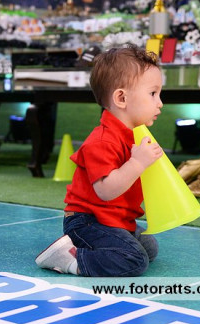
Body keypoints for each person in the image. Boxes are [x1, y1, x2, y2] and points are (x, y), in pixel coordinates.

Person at [35, 44, 164, 277]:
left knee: (150, 248)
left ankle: (89, 250)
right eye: (153, 94)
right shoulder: (102, 141)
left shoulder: (133, 135)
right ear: (121, 98)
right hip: (87, 222)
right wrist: (138, 163)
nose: (160, 103)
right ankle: (70, 258)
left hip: (113, 219)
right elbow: (105, 191)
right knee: (135, 260)